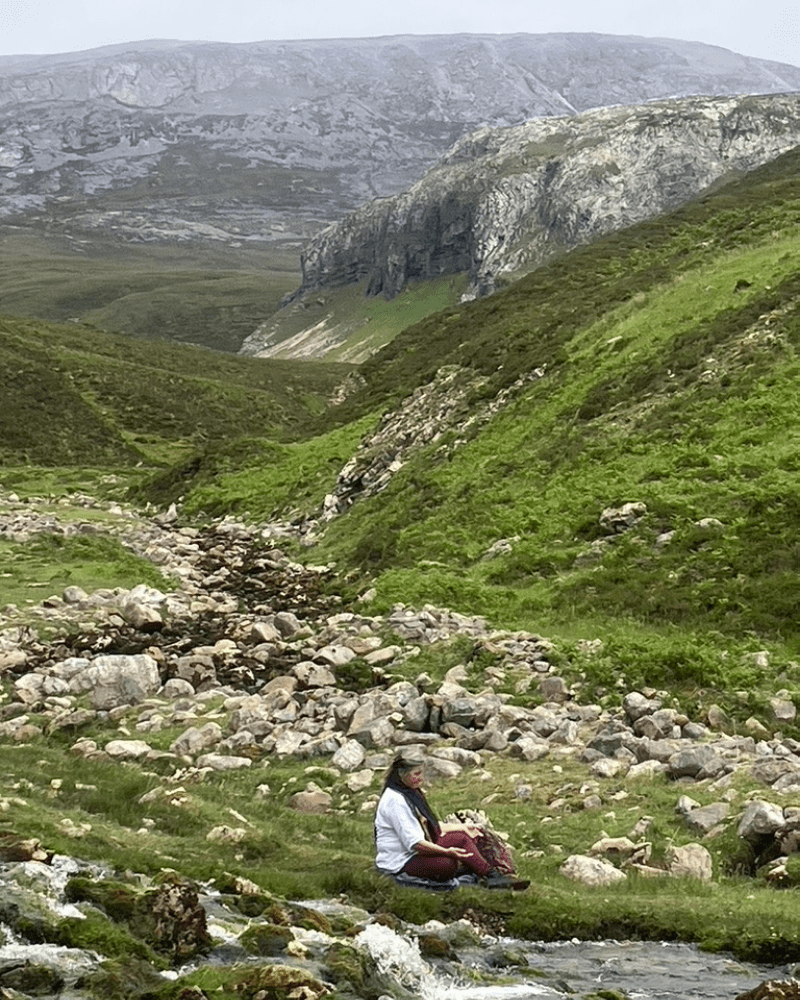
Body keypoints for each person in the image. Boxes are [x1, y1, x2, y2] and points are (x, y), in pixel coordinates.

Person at [374, 752, 529, 890]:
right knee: (447, 864)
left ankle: (492, 876)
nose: (420, 778)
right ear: (401, 774)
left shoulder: (406, 793)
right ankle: (479, 872)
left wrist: (463, 827)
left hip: (412, 851)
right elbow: (416, 843)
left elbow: (430, 827)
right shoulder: (396, 801)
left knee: (462, 838)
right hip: (400, 861)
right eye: (416, 774)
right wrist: (447, 852)